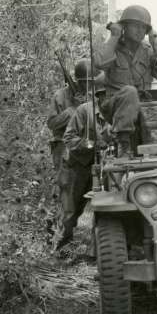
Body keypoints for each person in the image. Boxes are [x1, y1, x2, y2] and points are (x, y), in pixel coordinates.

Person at [94, 5, 157, 157]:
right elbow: (100, 63)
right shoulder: (113, 48)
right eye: (135, 26)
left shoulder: (148, 52)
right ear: (124, 27)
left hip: (142, 108)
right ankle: (123, 144)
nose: (140, 31)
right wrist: (114, 36)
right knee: (130, 91)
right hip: (115, 106)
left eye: (144, 28)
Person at [54, 75, 110, 250]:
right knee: (70, 211)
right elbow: (68, 138)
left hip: (101, 169)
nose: (109, 101)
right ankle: (58, 247)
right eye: (105, 96)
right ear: (98, 96)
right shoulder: (85, 111)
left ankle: (97, 251)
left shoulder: (117, 115)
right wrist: (92, 144)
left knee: (105, 210)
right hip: (76, 166)